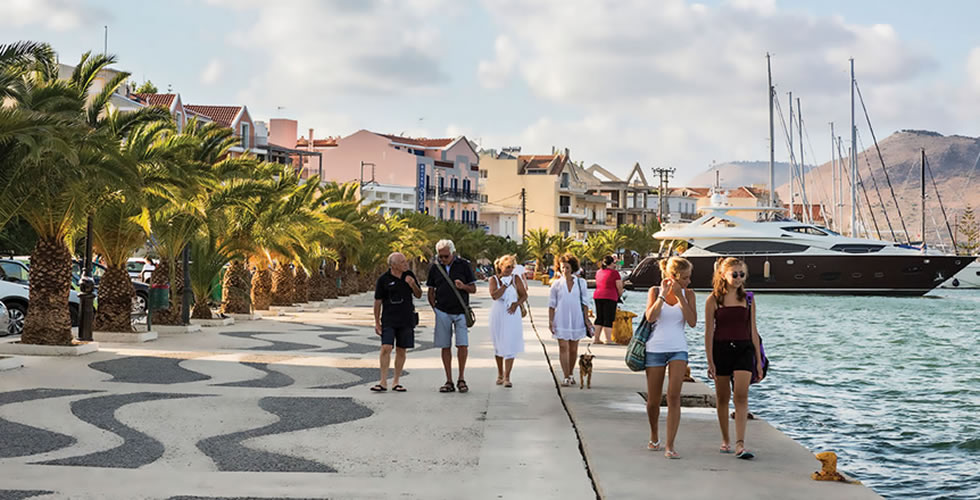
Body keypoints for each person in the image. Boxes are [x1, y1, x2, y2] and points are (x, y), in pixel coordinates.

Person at [704, 257, 763, 460]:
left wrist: (758, 360)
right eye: (734, 274)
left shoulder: (748, 298)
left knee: (741, 395)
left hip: (744, 349)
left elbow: (753, 330)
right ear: (723, 275)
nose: (738, 278)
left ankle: (740, 443)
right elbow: (709, 332)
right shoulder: (713, 300)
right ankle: (726, 439)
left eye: (742, 274)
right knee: (722, 397)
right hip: (721, 349)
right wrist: (710, 360)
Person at [643, 257, 696, 459]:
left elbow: (692, 322)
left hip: (678, 349)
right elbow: (650, 317)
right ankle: (654, 435)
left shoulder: (689, 294)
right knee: (653, 401)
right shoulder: (655, 291)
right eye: (685, 278)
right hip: (655, 349)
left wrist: (681, 296)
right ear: (673, 276)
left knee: (674, 396)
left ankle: (670, 445)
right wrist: (663, 296)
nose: (689, 281)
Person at [427, 239, 477, 393]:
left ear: (453, 253)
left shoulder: (463, 265)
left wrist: (463, 286)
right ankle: (448, 380)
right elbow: (431, 290)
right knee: (445, 346)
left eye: (445, 256)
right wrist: (435, 308)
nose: (442, 259)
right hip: (442, 311)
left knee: (462, 345)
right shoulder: (435, 268)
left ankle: (461, 378)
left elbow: (473, 288)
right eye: (440, 256)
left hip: (461, 311)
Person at [372, 252, 422, 392]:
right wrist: (377, 322)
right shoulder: (383, 279)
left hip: (406, 319)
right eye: (402, 262)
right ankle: (383, 381)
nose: (406, 264)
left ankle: (396, 381)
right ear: (393, 265)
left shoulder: (409, 275)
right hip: (389, 319)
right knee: (386, 347)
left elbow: (418, 295)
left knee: (401, 349)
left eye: (405, 261)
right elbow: (378, 301)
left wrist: (412, 285)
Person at [548, 253, 593, 387]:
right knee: (563, 347)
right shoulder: (556, 284)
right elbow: (551, 304)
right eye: (562, 267)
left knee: (573, 349)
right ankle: (566, 376)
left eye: (567, 267)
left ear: (572, 268)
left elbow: (585, 303)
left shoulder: (581, 283)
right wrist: (550, 321)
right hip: (561, 318)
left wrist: (586, 319)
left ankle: (571, 373)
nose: (565, 270)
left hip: (576, 318)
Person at [488, 254, 527, 388]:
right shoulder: (493, 279)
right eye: (507, 267)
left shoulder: (516, 279)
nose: (510, 270)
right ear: (500, 267)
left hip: (512, 314)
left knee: (509, 344)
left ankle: (507, 377)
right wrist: (504, 285)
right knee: (499, 344)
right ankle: (500, 373)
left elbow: (524, 295)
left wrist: (517, 304)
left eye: (512, 267)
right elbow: (494, 295)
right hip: (498, 313)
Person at [592, 255, 624, 344]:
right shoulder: (615, 273)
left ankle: (596, 339)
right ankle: (608, 339)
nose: (615, 265)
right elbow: (619, 286)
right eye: (614, 263)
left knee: (599, 317)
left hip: (598, 295)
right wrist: (620, 295)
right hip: (610, 296)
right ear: (611, 263)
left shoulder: (598, 272)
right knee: (608, 318)